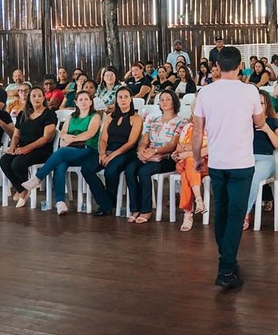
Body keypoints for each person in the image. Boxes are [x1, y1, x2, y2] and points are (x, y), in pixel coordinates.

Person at [192, 46, 264, 290]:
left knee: (221, 211)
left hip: (218, 161)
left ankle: (228, 260)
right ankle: (226, 268)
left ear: (217, 66)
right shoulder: (250, 90)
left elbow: (198, 131)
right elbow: (260, 121)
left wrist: (196, 158)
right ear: (240, 65)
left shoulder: (205, 92)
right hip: (242, 161)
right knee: (235, 214)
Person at [21, 90, 103, 215]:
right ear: (76, 102)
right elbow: (63, 133)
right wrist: (66, 138)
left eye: (86, 99)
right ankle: (60, 203)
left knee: (62, 152)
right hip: (70, 150)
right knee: (60, 165)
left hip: (87, 150)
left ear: (91, 101)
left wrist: (72, 138)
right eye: (80, 99)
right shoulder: (71, 116)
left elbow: (90, 133)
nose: (84, 102)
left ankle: (38, 178)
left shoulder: (95, 116)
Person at [125, 89, 185, 223]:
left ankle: (146, 211)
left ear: (174, 102)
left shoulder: (181, 122)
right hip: (149, 154)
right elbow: (145, 141)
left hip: (167, 157)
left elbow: (172, 145)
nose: (164, 102)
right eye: (162, 99)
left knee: (144, 171)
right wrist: (142, 150)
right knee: (130, 170)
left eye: (167, 99)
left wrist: (156, 151)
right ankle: (135, 208)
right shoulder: (153, 120)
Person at [81, 88, 143, 216]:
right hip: (108, 149)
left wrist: (113, 155)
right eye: (120, 97)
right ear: (116, 100)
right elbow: (103, 139)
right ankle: (106, 203)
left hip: (126, 152)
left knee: (111, 170)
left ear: (130, 99)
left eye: (126, 97)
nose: (123, 99)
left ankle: (107, 206)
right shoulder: (110, 117)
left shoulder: (136, 118)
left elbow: (131, 142)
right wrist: (103, 153)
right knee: (86, 168)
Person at [0, 85, 57, 208]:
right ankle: (22, 189)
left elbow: (46, 138)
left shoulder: (49, 114)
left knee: (17, 163)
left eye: (39, 96)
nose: (37, 98)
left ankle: (24, 188)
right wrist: (13, 147)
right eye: (34, 96)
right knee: (4, 161)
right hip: (22, 148)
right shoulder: (23, 114)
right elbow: (16, 135)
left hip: (41, 149)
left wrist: (26, 148)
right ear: (29, 98)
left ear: (43, 98)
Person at [244, 90, 278, 229]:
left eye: (261, 103)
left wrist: (266, 129)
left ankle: (244, 213)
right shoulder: (244, 121)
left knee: (253, 176)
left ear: (267, 105)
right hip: (245, 157)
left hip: (265, 159)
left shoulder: (275, 122)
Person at [172, 122, 208, 231]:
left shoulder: (213, 126)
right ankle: (198, 200)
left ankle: (188, 213)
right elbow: (179, 147)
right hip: (184, 162)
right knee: (190, 163)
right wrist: (178, 153)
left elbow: (209, 150)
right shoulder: (188, 127)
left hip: (204, 164)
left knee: (186, 172)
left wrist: (188, 152)